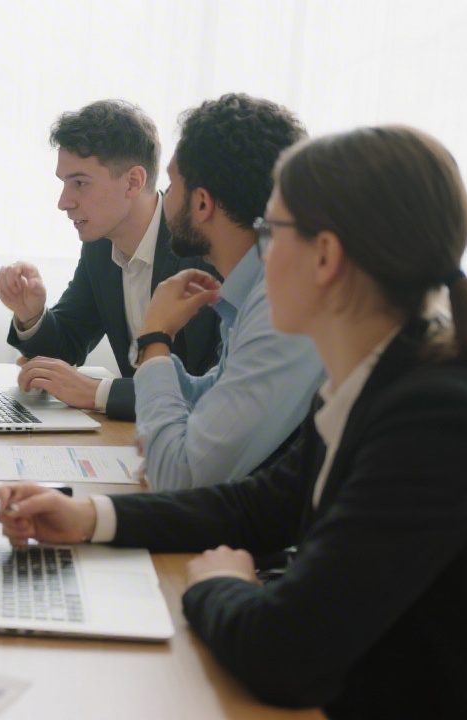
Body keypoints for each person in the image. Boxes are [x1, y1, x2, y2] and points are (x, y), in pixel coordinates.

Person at [0, 125, 467, 718]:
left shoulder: (435, 419)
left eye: (272, 231)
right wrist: (89, 516)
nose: (258, 254)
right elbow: (257, 505)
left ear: (325, 256)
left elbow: (286, 650)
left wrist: (216, 584)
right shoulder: (366, 380)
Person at [132, 94, 322, 489]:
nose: (164, 199)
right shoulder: (253, 288)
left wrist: (154, 341)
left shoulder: (280, 305)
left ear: (202, 203)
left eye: (171, 184)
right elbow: (214, 398)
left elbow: (179, 477)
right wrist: (161, 356)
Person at [0, 100, 220, 420]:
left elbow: (219, 389)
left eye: (80, 183)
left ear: (133, 182)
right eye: (64, 183)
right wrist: (31, 315)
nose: (63, 202)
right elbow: (66, 349)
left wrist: (97, 392)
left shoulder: (203, 244)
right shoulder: (100, 246)